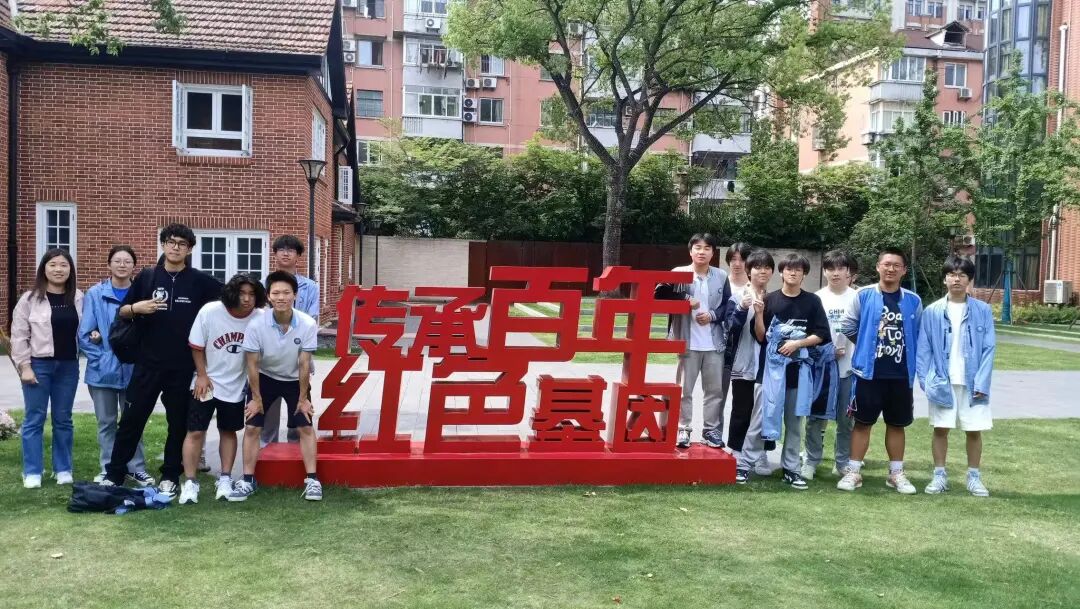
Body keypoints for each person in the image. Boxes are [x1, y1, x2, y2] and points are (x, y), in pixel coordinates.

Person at [102, 224, 222, 497]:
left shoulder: (200, 281)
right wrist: (136, 307)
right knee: (131, 420)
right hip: (147, 364)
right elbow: (122, 312)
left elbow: (231, 298)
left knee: (177, 424)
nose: (176, 247)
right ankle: (114, 474)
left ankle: (169, 475)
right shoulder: (147, 277)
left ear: (190, 249)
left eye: (182, 243)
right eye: (171, 242)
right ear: (163, 245)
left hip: (182, 366)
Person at [735, 253, 831, 489]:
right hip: (769, 372)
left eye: (798, 270)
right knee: (759, 420)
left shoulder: (812, 302)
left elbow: (821, 334)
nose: (793, 273)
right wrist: (759, 314)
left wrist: (797, 343)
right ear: (781, 272)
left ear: (804, 274)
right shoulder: (770, 300)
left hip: (799, 373)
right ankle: (744, 465)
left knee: (794, 424)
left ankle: (791, 468)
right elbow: (760, 337)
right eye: (789, 269)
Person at [229, 271, 322, 502]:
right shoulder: (256, 324)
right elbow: (252, 363)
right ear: (269, 296)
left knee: (305, 426)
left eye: (286, 293)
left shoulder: (307, 324)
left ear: (295, 295)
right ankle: (248, 480)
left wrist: (303, 398)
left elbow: (304, 363)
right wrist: (256, 398)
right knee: (252, 426)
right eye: (276, 293)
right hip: (265, 377)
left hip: (294, 379)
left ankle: (312, 480)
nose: (281, 297)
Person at [838, 248, 923, 494]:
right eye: (886, 264)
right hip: (868, 374)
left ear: (904, 270)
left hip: (900, 375)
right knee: (862, 423)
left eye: (896, 265)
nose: (891, 269)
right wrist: (866, 345)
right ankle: (853, 471)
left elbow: (917, 333)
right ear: (878, 267)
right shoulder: (863, 295)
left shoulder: (913, 300)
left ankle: (896, 473)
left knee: (897, 424)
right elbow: (848, 325)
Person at [178, 274, 267, 505]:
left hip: (235, 385)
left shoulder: (260, 317)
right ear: (231, 293)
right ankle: (190, 482)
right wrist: (202, 375)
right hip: (206, 382)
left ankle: (225, 478)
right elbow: (196, 346)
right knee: (195, 431)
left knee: (228, 431)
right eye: (242, 293)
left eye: (252, 294)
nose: (246, 299)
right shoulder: (211, 311)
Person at [917, 256, 996, 497]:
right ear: (945, 279)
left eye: (962, 275)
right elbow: (924, 349)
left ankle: (974, 477)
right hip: (942, 379)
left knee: (974, 430)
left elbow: (989, 348)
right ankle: (939, 475)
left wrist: (982, 382)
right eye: (952, 275)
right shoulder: (932, 311)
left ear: (969, 280)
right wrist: (926, 381)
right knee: (941, 428)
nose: (956, 280)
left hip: (973, 382)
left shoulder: (982, 310)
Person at [78, 245, 155, 487]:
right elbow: (84, 334)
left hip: (135, 370)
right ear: (109, 265)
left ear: (134, 266)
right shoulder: (95, 294)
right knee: (106, 422)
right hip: (103, 372)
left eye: (127, 261)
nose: (122, 265)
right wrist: (101, 359)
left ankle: (136, 468)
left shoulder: (142, 293)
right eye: (117, 261)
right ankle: (108, 468)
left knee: (134, 421)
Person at [11, 249, 83, 488]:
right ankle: (33, 471)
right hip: (38, 365)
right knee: (34, 418)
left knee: (63, 419)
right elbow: (19, 335)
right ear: (44, 268)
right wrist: (24, 366)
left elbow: (85, 328)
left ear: (70, 269)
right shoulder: (29, 299)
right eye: (53, 265)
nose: (58, 269)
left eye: (63, 265)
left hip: (68, 366)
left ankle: (63, 468)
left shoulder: (78, 297)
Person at [655, 233, 732, 449]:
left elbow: (728, 304)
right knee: (684, 389)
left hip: (714, 343)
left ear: (713, 253)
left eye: (707, 248)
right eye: (698, 247)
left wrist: (713, 315)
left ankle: (710, 430)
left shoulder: (721, 275)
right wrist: (685, 299)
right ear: (690, 251)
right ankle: (683, 428)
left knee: (714, 391)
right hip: (687, 342)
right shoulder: (678, 273)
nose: (702, 252)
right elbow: (659, 293)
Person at [802, 250, 859, 480]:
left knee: (847, 418)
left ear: (848, 272)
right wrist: (826, 351)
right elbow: (808, 333)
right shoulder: (816, 298)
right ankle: (811, 460)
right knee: (816, 417)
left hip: (850, 368)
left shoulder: (858, 298)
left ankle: (842, 462)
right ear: (824, 271)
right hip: (821, 368)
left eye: (840, 268)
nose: (835, 273)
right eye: (830, 269)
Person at [260, 235, 320, 447]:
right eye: (281, 250)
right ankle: (267, 451)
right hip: (269, 358)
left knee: (299, 409)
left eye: (291, 250)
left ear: (298, 256)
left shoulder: (310, 286)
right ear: (275, 254)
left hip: (299, 354)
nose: (286, 253)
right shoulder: (263, 285)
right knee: (268, 411)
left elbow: (312, 318)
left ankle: (296, 452)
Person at [724, 249, 772, 464]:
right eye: (757, 267)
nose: (762, 271)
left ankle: (762, 452)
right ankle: (736, 450)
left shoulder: (774, 298)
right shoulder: (737, 297)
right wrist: (742, 308)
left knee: (767, 410)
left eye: (767, 267)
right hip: (743, 361)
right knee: (742, 408)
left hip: (768, 364)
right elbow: (729, 328)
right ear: (749, 271)